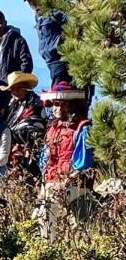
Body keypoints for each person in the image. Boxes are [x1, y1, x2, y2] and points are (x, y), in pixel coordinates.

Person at [35, 82, 93, 240]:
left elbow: (83, 164)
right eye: (55, 104)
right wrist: (44, 185)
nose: (57, 108)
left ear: (72, 105)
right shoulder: (52, 128)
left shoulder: (82, 128)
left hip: (76, 185)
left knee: (48, 207)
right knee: (37, 214)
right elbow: (45, 161)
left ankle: (49, 245)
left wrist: (64, 183)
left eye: (63, 104)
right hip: (52, 183)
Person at [24, 0, 71, 85]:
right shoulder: (38, 16)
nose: (31, 2)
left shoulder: (55, 12)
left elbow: (70, 29)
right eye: (29, 0)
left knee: (59, 89)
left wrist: (61, 45)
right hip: (50, 61)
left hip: (59, 60)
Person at [1, 72, 46, 171]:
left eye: (19, 88)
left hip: (30, 149)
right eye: (13, 89)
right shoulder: (12, 104)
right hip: (12, 150)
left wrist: (10, 134)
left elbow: (33, 126)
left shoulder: (36, 103)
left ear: (26, 87)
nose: (15, 92)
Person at [0, 10, 33, 93]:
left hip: (11, 90)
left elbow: (26, 64)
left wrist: (17, 85)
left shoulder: (17, 40)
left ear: (5, 23)